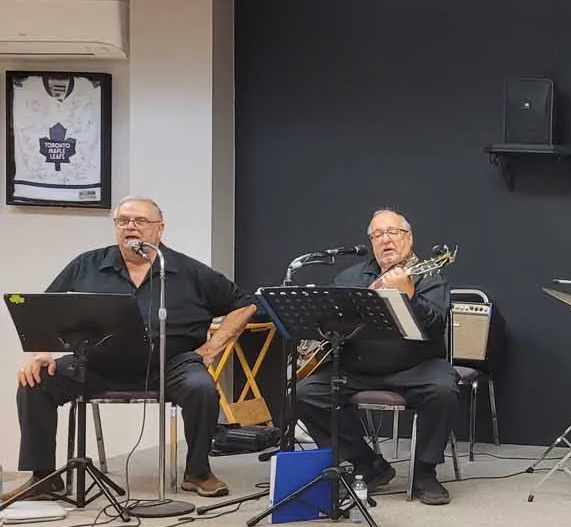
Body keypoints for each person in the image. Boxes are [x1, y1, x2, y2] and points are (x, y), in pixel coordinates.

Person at [14, 196, 258, 499]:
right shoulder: (87, 265)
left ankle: (198, 472)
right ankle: (44, 477)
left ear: (159, 229)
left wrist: (211, 348)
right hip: (96, 363)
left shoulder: (187, 270)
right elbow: (48, 309)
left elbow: (245, 305)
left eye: (140, 221)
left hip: (172, 364)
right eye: (123, 221)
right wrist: (40, 353)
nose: (131, 227)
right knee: (34, 382)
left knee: (202, 388)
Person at [294, 209, 458, 505]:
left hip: (415, 365)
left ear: (408, 238)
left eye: (392, 233)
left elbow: (434, 326)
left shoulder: (429, 275)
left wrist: (409, 296)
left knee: (444, 389)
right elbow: (328, 320)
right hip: (359, 366)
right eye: (377, 235)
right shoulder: (353, 276)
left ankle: (424, 472)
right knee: (306, 392)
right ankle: (366, 464)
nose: (385, 240)